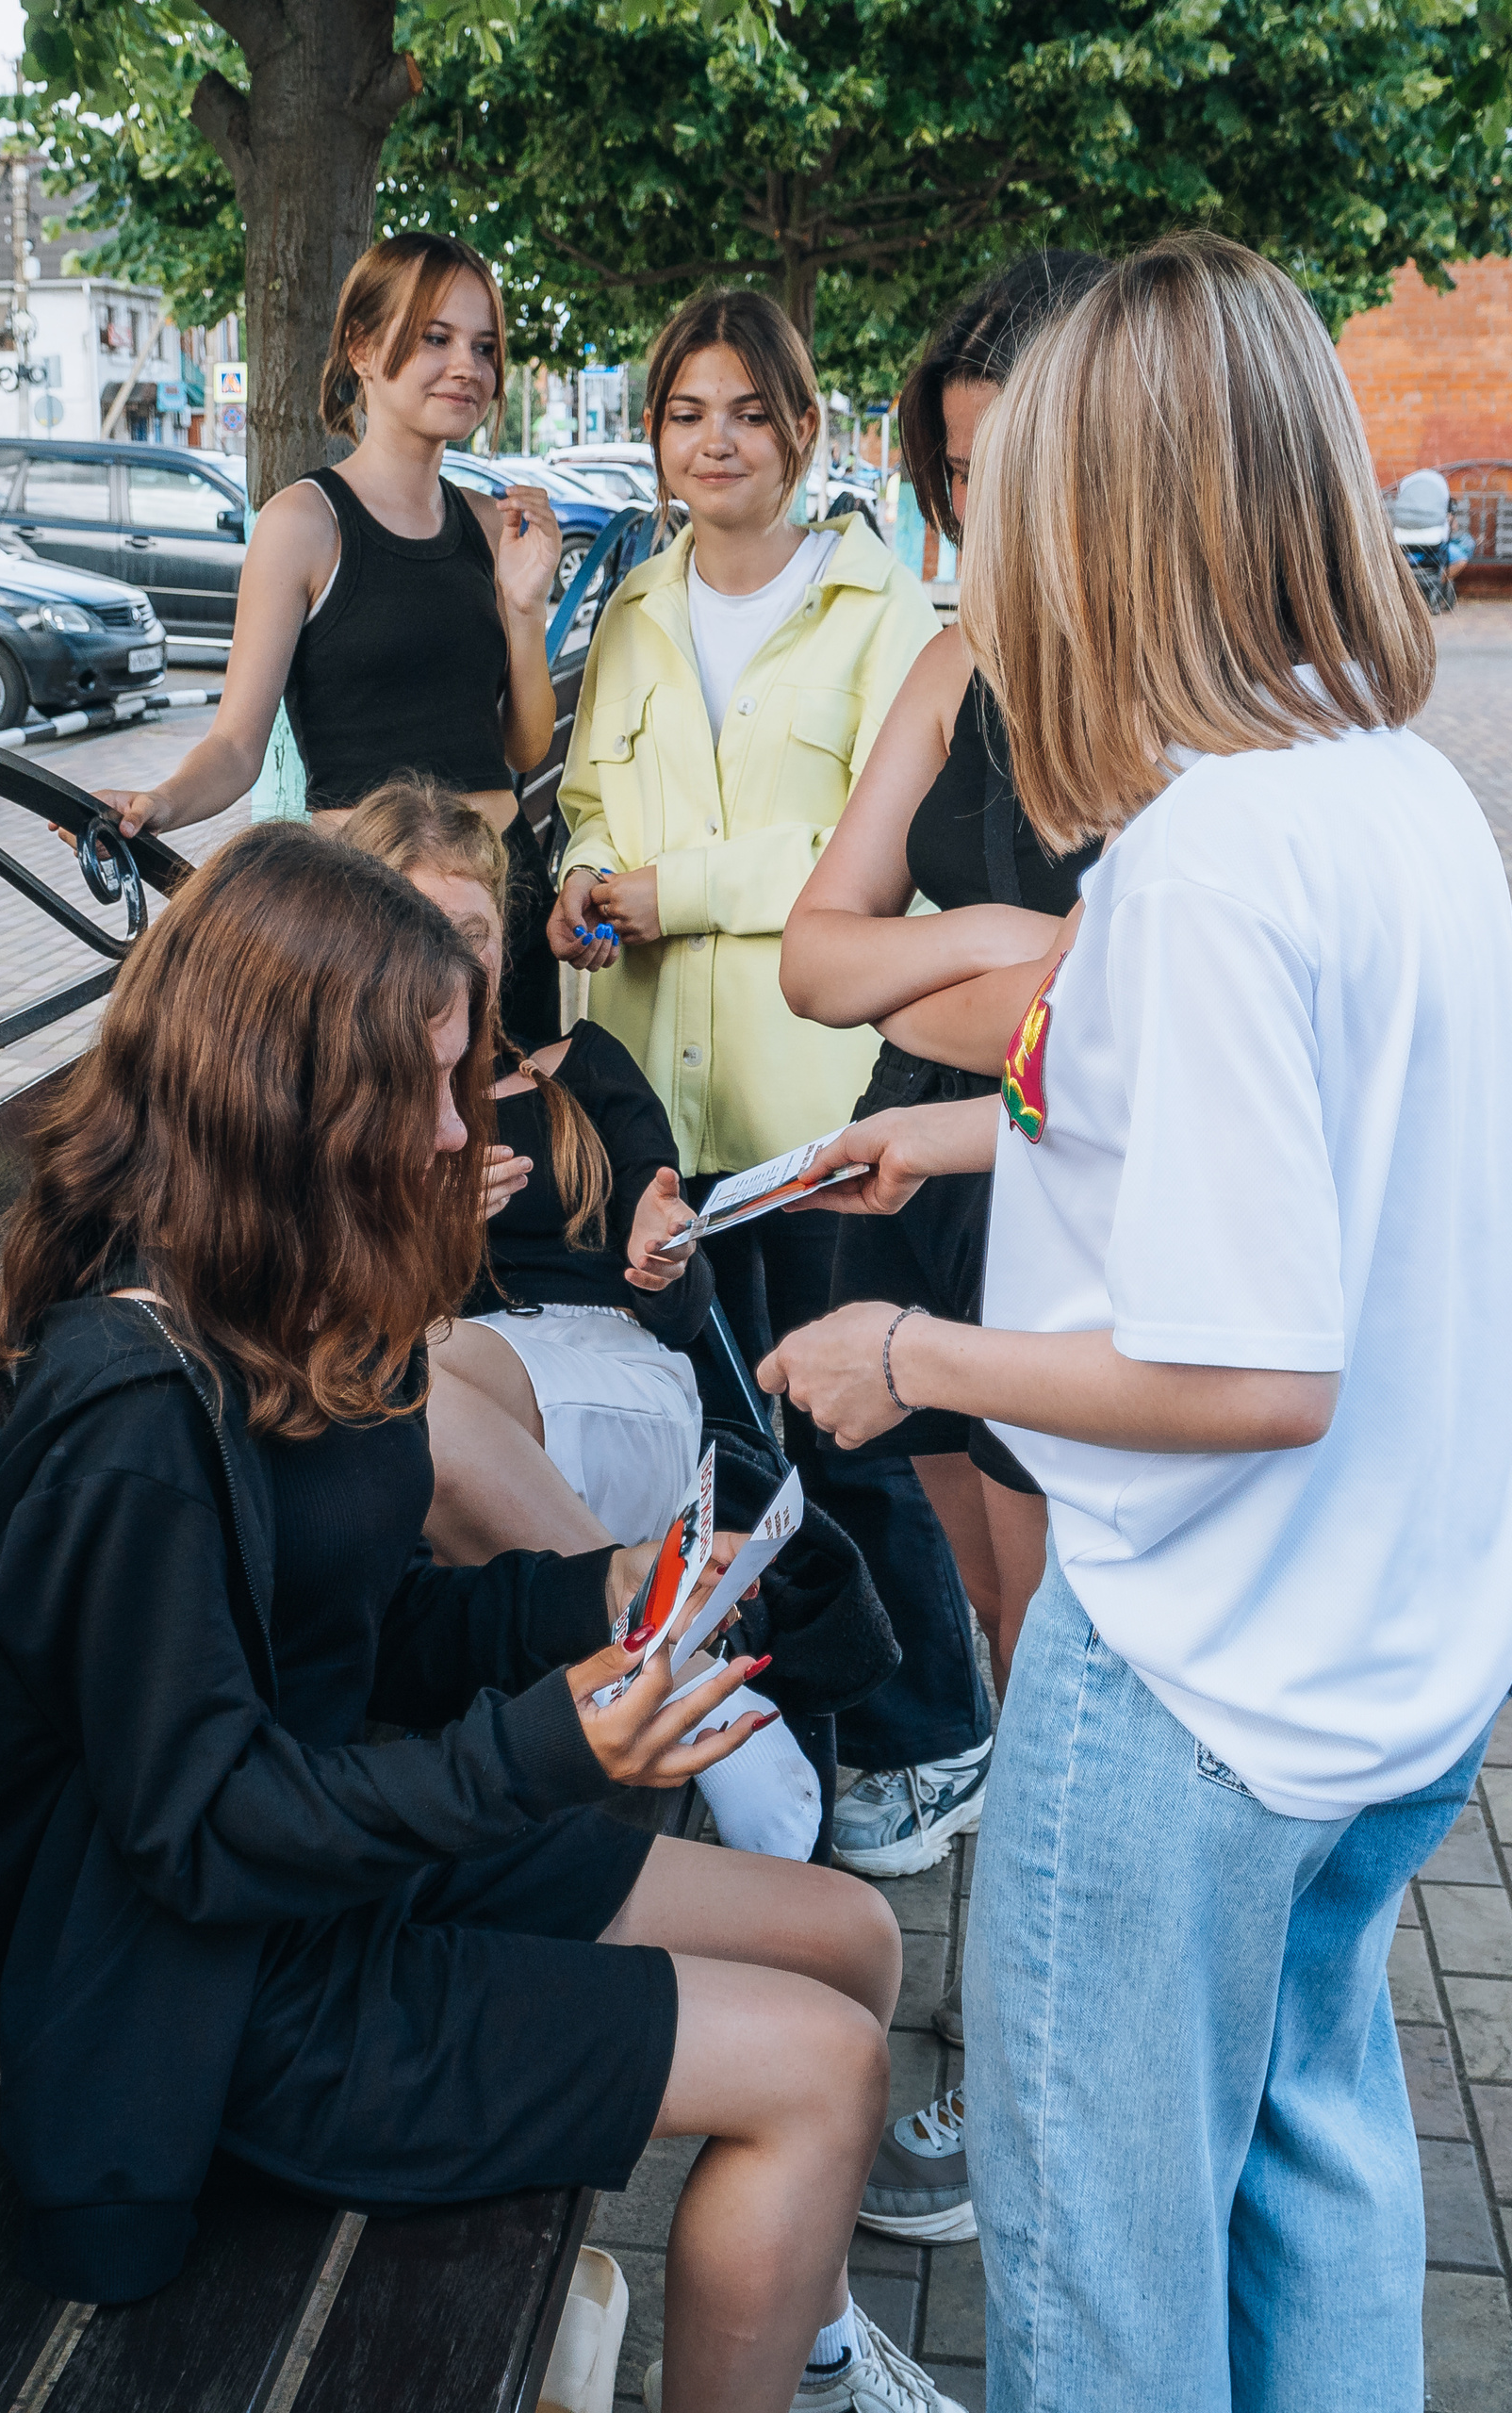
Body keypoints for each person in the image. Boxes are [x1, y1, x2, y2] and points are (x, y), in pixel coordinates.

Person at [762, 235, 1512, 2411]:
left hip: (1205, 1672)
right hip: (1406, 1652)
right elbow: (1303, 1164)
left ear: (1131, 504)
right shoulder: (1388, 785)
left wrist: (903, 1362)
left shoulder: (1200, 862)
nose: (987, 547)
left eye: (1028, 495)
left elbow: (1244, 1373)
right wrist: (969, 1141)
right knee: (1312, 2151)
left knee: (1101, 2280)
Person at [0, 823, 957, 2413]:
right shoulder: (131, 1411)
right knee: (821, 2075)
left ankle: (803, 2339)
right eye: (404, 1082)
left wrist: (593, 1597)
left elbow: (364, 1628)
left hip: (342, 1885)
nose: (441, 1125)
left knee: (851, 1935)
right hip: (212, 2003)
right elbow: (204, 1830)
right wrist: (548, 1748)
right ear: (274, 1086)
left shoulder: (264, 1294)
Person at [545, 286, 993, 1856]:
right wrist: (590, 885)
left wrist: (679, 891)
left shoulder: (889, 621)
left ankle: (938, 1731)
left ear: (806, 429)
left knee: (845, 1431)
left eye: (748, 410)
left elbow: (876, 865)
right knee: (724, 1440)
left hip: (824, 1103)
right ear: (656, 436)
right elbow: (594, 803)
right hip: (660, 1100)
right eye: (685, 412)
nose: (715, 440)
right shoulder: (634, 614)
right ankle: (808, 1727)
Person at [344, 778, 827, 1866]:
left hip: (618, 1377)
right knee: (414, 1370)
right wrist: (418, 1244)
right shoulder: (339, 1106)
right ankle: (683, 1670)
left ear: (503, 938)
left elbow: (687, 1317)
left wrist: (663, 1253)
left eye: (467, 932)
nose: (445, 962)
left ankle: (670, 1679)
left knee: (422, 1369)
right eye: (415, 929)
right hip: (447, 1413)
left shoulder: (585, 1072)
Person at [783, 254, 1109, 1868]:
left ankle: (1026, 2037)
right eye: (959, 474)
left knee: (1062, 1645)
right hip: (921, 1180)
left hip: (1060, 1199)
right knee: (994, 1625)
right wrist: (995, 943)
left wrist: (921, 988)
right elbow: (813, 958)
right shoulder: (954, 661)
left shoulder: (1164, 696)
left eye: (1013, 470)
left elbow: (1112, 1032)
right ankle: (1003, 2011)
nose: (983, 516)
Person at [93, 231, 569, 1045]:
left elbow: (521, 750)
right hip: (374, 925)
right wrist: (159, 803)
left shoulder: (490, 527)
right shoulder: (303, 525)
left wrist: (524, 610)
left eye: (484, 347)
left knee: (517, 1156)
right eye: (435, 338)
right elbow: (239, 746)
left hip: (504, 900)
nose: (469, 367)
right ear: (361, 347)